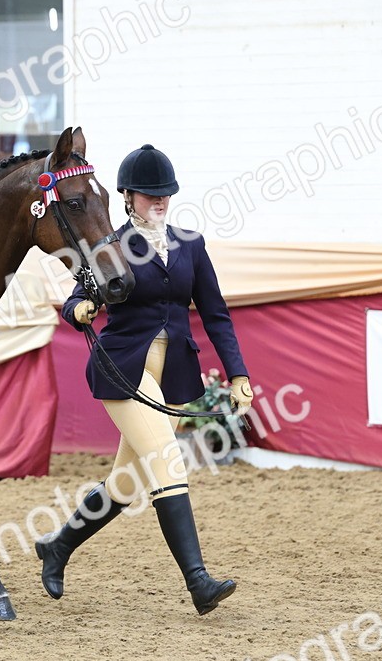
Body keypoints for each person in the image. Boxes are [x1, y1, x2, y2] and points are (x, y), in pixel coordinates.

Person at [37, 144, 256, 616]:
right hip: (123, 368)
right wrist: (80, 308)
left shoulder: (190, 245)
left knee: (128, 481)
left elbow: (216, 315)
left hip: (173, 374)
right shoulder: (109, 246)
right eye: (150, 194)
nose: (159, 201)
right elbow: (77, 299)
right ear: (128, 197)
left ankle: (57, 547)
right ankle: (198, 582)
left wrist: (238, 373)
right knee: (166, 459)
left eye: (165, 194)